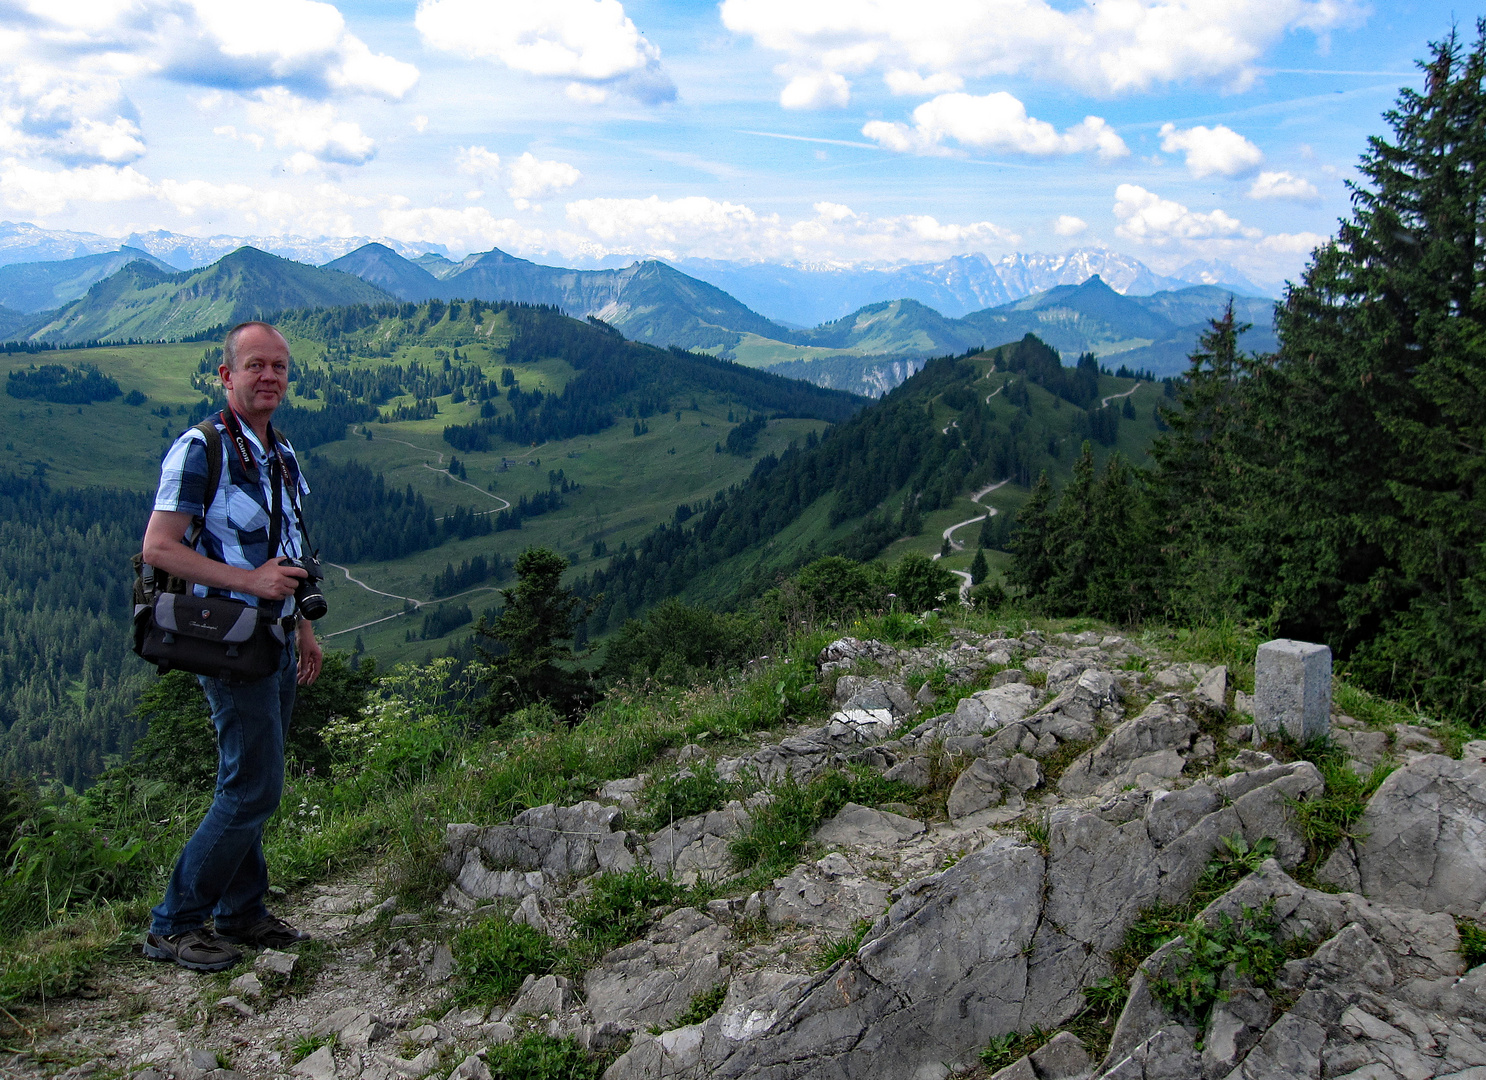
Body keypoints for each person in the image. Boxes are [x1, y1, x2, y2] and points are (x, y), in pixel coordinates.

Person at [139, 320, 323, 972]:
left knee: (249, 781)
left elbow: (292, 550)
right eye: (255, 365)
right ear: (227, 375)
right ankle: (174, 924)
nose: (268, 376)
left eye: (278, 366)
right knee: (253, 791)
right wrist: (250, 582)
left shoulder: (280, 453)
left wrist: (303, 624)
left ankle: (242, 911)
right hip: (229, 643)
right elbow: (158, 546)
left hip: (275, 638)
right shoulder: (199, 449)